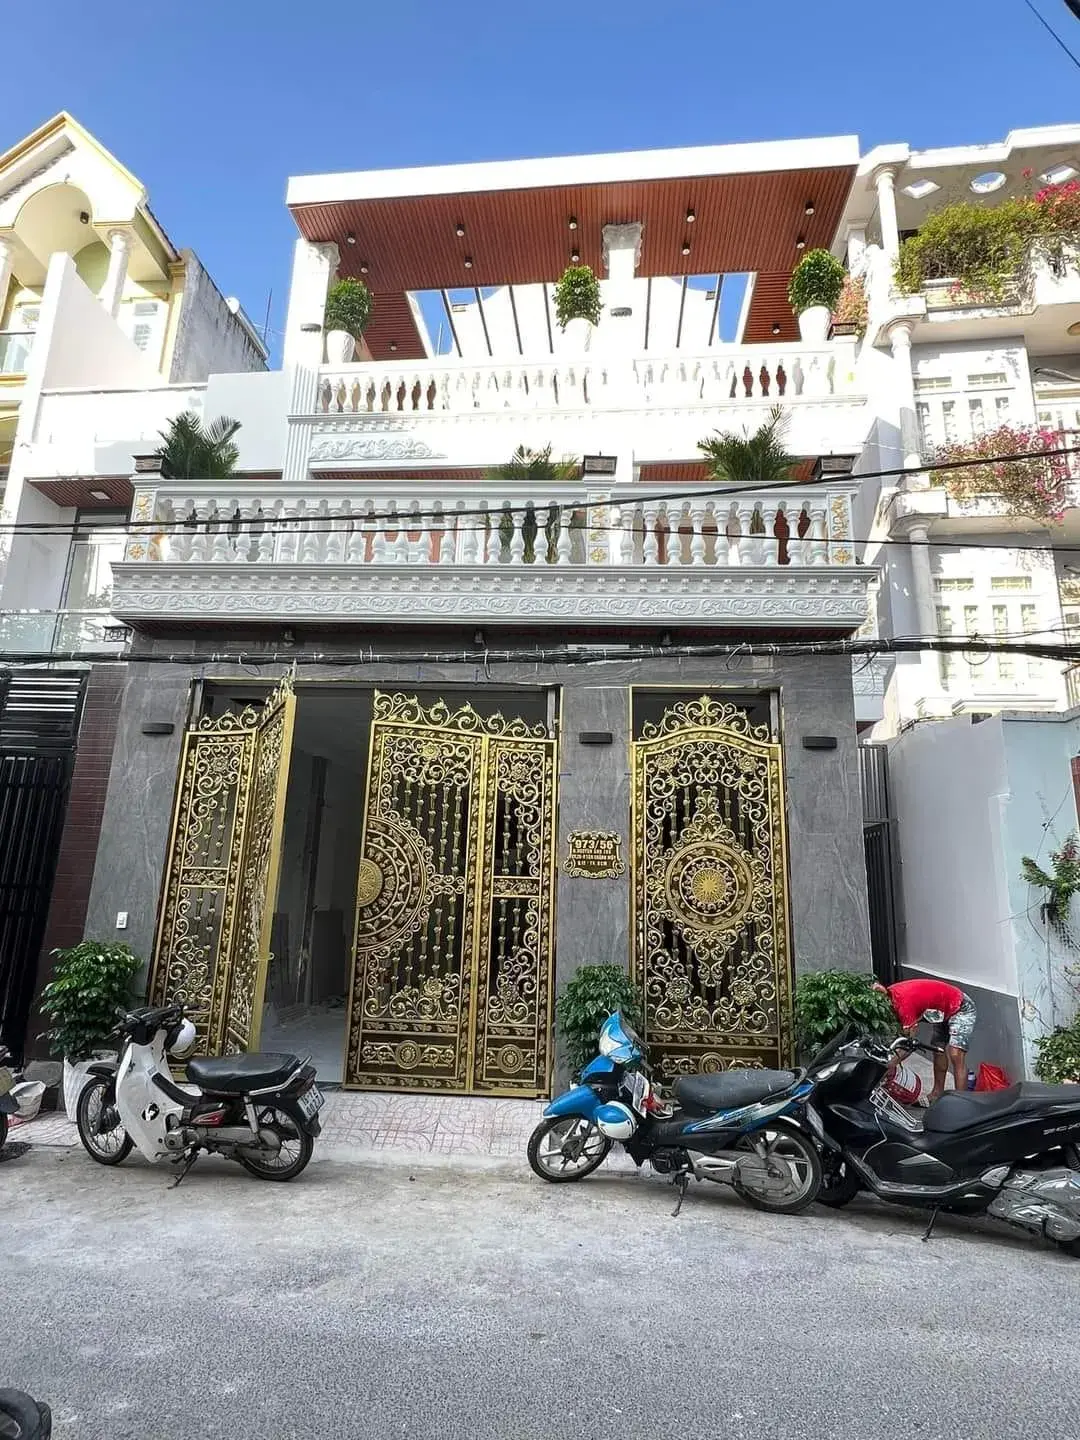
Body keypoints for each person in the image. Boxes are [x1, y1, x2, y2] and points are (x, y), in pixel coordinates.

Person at [874, 978, 977, 1103]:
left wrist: (890, 1065)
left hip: (960, 1006)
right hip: (942, 1009)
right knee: (938, 1049)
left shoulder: (902, 1005)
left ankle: (962, 1103)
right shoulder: (890, 998)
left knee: (956, 1054)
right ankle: (936, 1094)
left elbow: (908, 1044)